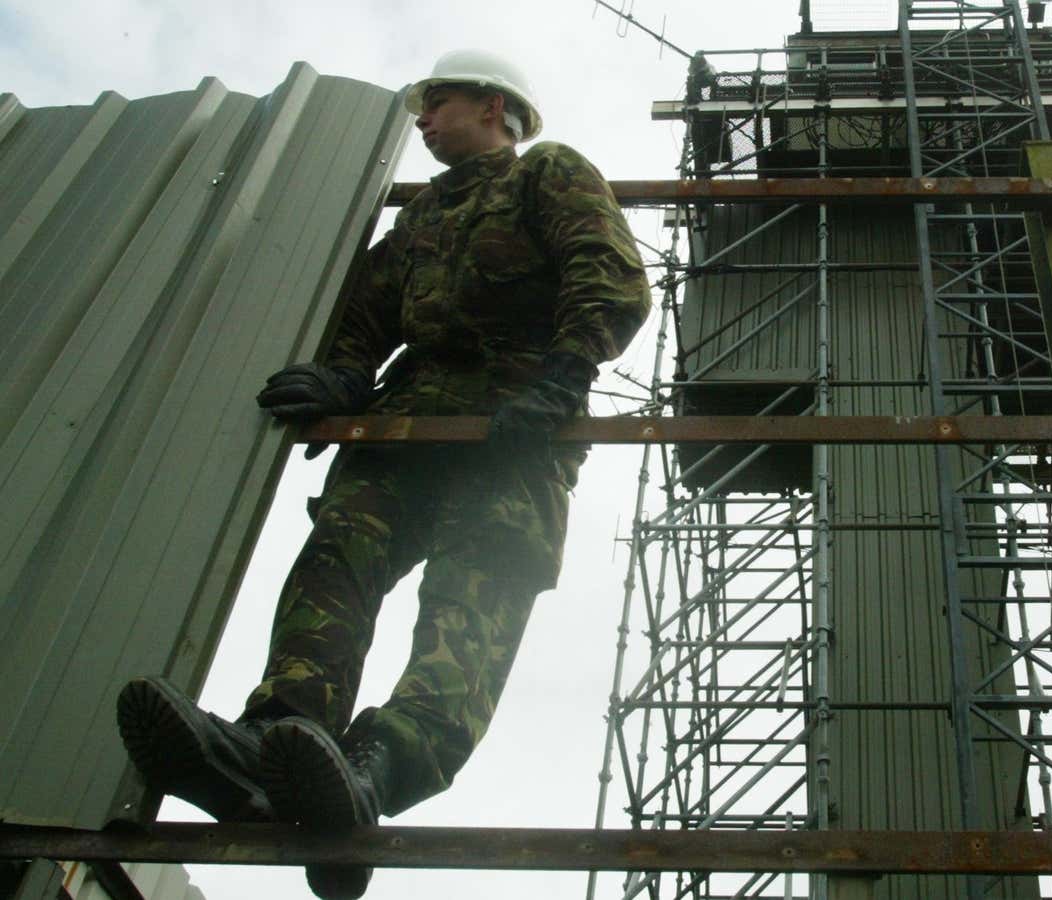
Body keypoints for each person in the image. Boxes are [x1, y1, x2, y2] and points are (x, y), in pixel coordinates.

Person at [115, 49, 650, 899]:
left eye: (438, 102)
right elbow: (365, 312)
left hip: (516, 420)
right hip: (409, 419)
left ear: (494, 105)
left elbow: (608, 269)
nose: (424, 118)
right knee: (337, 557)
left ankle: (377, 770)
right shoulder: (424, 218)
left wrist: (566, 376)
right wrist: (341, 373)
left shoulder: (545, 171)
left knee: (473, 595)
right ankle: (273, 742)